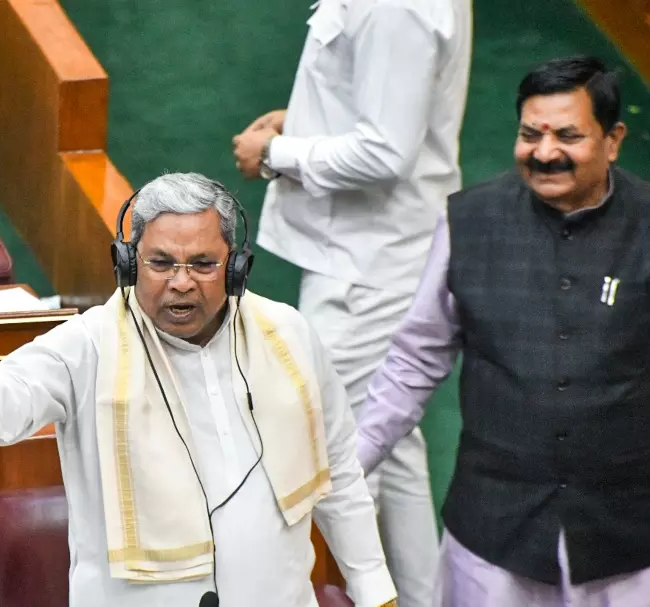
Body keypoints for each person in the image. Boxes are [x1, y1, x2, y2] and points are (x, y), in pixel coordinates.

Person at [0, 173, 398, 607]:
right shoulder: (88, 345)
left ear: (235, 267)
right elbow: (10, 397)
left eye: (203, 264)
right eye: (160, 262)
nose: (180, 281)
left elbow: (341, 473)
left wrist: (374, 591)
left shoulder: (290, 336)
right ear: (130, 263)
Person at [356, 55, 650, 606]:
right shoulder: (467, 223)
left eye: (568, 136)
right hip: (494, 533)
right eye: (531, 134)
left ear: (613, 139)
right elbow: (415, 358)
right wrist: (351, 462)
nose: (545, 153)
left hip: (639, 539)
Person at [231, 1, 472, 604]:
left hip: (372, 264)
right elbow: (386, 100)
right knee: (393, 441)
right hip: (363, 253)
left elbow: (387, 153)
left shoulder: (399, 7)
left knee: (328, 447)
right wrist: (310, 117)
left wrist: (275, 154)